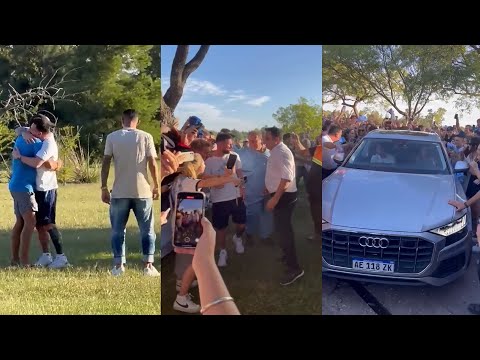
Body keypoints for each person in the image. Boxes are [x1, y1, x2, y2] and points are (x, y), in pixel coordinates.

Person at [101, 109, 160, 276]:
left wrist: (104, 187)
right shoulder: (146, 136)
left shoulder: (112, 137)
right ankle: (148, 265)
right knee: (147, 229)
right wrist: (156, 185)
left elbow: (106, 163)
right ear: (137, 121)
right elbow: (152, 164)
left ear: (122, 120)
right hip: (142, 190)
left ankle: (119, 265)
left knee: (118, 230)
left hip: (120, 190)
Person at [13, 114, 69, 268]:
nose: (29, 131)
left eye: (32, 130)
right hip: (37, 187)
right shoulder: (39, 137)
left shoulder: (47, 144)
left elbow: (37, 163)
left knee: (48, 224)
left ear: (39, 132)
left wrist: (19, 157)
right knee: (39, 225)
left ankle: (61, 256)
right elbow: (20, 129)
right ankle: (46, 255)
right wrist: (22, 131)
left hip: (46, 188)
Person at [263, 127, 304, 285]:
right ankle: (287, 256)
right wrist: (268, 186)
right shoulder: (275, 150)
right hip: (280, 194)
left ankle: (295, 268)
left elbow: (286, 179)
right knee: (282, 230)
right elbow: (277, 174)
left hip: (284, 197)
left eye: (266, 138)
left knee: (285, 232)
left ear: (276, 139)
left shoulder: (281, 152)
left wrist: (274, 199)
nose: (264, 141)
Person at [203, 132, 246, 267]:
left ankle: (237, 237)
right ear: (220, 144)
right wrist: (218, 179)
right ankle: (223, 252)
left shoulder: (234, 156)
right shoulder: (209, 160)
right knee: (221, 228)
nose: (231, 145)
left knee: (242, 224)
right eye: (229, 143)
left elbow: (240, 173)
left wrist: (242, 186)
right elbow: (204, 177)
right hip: (219, 199)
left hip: (236, 196)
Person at [236, 130, 273, 246]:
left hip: (267, 190)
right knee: (252, 214)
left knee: (267, 214)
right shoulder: (241, 154)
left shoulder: (269, 153)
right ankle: (249, 235)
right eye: (250, 141)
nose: (252, 143)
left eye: (255, 140)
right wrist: (241, 187)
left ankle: (265, 236)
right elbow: (237, 171)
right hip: (250, 191)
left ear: (261, 139)